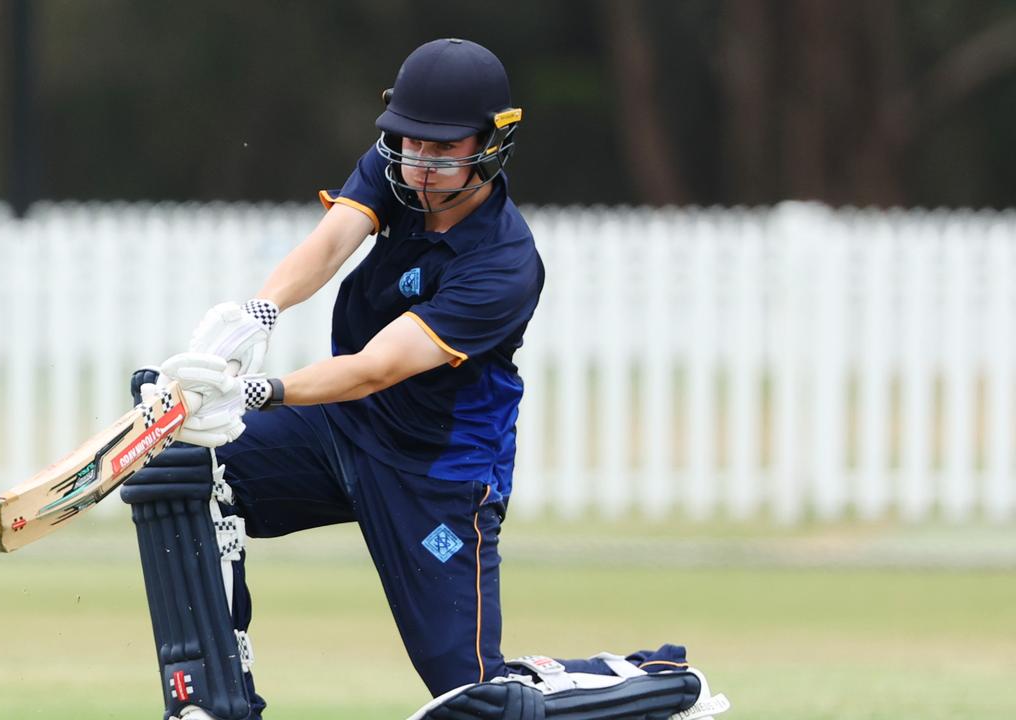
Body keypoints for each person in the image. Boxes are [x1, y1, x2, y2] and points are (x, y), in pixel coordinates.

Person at [122, 39, 730, 720]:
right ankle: (214, 704)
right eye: (411, 143)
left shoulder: (503, 264)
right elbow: (330, 242)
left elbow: (378, 366)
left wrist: (264, 390)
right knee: (186, 474)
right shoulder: (405, 171)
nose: (422, 164)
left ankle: (658, 683)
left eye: (443, 150)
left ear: (492, 142)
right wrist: (257, 314)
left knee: (478, 702)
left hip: (436, 470)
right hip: (342, 430)